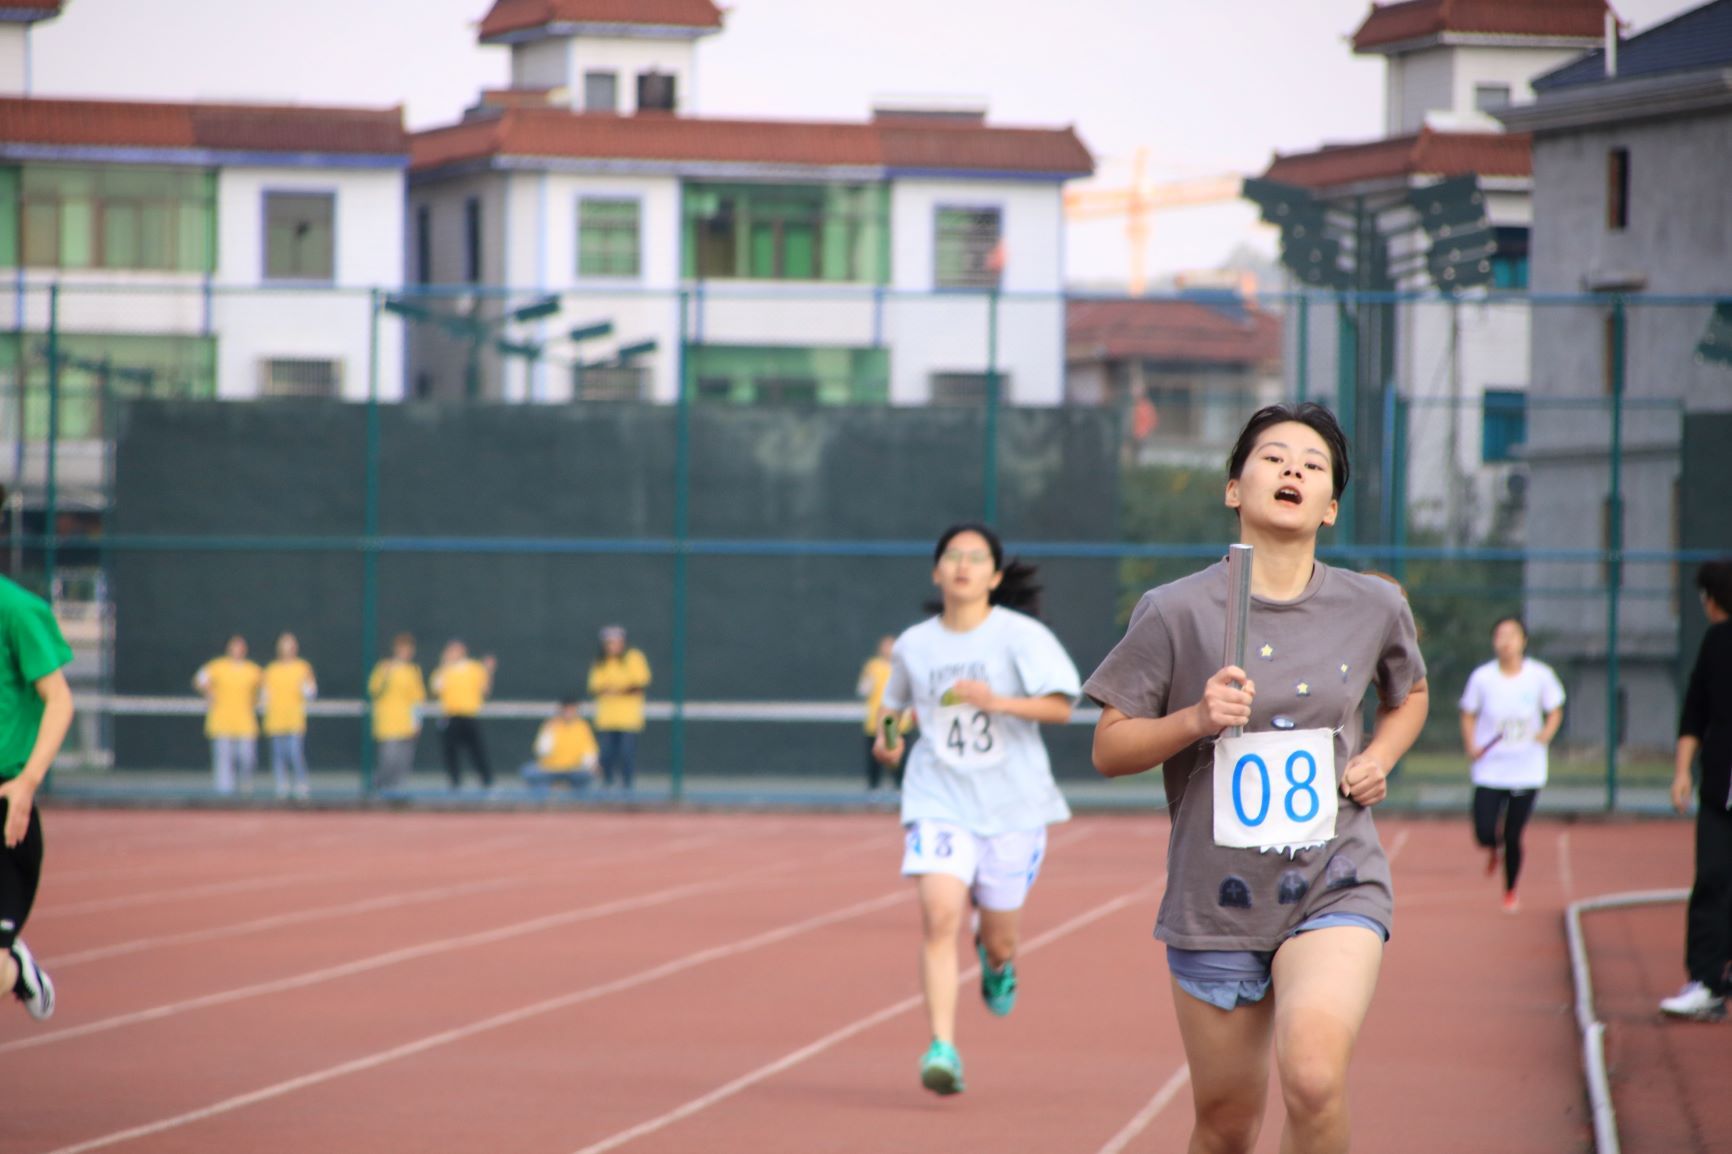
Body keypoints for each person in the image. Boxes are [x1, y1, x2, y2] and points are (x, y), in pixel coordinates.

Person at [1085, 402, 1429, 1154]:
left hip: (1336, 876)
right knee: (1228, 1124)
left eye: (1313, 465)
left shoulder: (1373, 604)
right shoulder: (1174, 611)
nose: (1293, 470)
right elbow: (1108, 749)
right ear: (1234, 487)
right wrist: (1195, 720)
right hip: (1217, 897)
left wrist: (1380, 758)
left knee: (1312, 1079)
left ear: (1330, 506)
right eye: (1273, 457)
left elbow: (1410, 695)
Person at [872, 523, 1081, 1096]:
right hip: (939, 798)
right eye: (952, 556)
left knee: (1000, 936)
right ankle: (942, 1047)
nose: (963, 565)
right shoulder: (916, 644)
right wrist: (889, 736)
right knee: (939, 917)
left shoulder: (1021, 636)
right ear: (937, 571)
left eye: (976, 557)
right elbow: (896, 709)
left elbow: (1062, 707)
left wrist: (997, 701)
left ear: (993, 574)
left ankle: (996, 965)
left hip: (1013, 805)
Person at [0, 572, 74, 1023]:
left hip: (6, 801)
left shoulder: (17, 610)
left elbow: (59, 700)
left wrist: (27, 781)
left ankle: (16, 968)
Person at [1660, 560, 1732, 1021]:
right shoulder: (1716, 644)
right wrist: (1683, 771)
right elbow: (1696, 713)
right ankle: (1706, 982)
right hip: (1721, 790)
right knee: (1711, 880)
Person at [1459, 616, 1565, 912]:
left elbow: (1555, 709)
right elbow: (1468, 712)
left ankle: (1510, 890)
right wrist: (1471, 744)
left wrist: (1546, 732)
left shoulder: (1540, 675)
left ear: (1523, 641)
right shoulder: (1482, 678)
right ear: (1494, 642)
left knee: (1514, 833)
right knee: (1483, 830)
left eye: (1512, 635)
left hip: (1526, 769)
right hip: (1491, 768)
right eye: (1500, 636)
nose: (1506, 642)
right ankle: (1493, 848)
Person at [194, 635, 262, 795]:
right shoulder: (217, 666)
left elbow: (264, 688)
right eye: (234, 647)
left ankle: (245, 787)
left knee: (247, 758)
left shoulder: (252, 670)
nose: (236, 650)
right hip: (221, 722)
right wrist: (209, 693)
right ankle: (224, 796)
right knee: (223, 762)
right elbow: (200, 679)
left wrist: (258, 699)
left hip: (245, 722)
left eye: (240, 647)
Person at [589, 625, 650, 792]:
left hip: (628, 718)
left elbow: (638, 685)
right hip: (607, 718)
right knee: (606, 754)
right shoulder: (601, 661)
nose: (612, 646)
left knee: (626, 753)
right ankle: (607, 784)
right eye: (608, 642)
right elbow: (596, 686)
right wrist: (619, 689)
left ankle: (627, 786)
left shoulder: (634, 657)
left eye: (615, 642)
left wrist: (615, 690)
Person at [261, 631, 318, 800]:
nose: (287, 649)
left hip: (294, 719)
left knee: (294, 753)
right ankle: (281, 786)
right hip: (275, 719)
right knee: (278, 755)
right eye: (284, 645)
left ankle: (301, 784)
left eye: (290, 645)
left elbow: (311, 691)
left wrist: (307, 689)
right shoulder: (271, 669)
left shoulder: (303, 667)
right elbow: (264, 694)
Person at [431, 640, 495, 790]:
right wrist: (444, 665)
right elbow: (436, 689)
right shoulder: (443, 670)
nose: (454, 653)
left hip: (469, 714)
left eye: (457, 650)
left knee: (477, 749)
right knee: (450, 751)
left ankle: (486, 780)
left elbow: (485, 689)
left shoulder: (474, 668)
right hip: (450, 715)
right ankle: (455, 781)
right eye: (451, 650)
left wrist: (489, 671)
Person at [369, 633, 426, 791]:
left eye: (408, 648)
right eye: (402, 648)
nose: (406, 652)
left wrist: (417, 722)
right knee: (388, 760)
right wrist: (386, 675)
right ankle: (377, 788)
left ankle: (397, 796)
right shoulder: (383, 667)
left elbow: (418, 700)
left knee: (403, 763)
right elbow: (374, 690)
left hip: (406, 724)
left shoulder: (413, 671)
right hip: (388, 724)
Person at [519, 698, 600, 796]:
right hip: (551, 769)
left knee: (586, 776)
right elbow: (542, 751)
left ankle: (571, 794)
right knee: (529, 772)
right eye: (566, 710)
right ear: (561, 710)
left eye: (572, 710)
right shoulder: (551, 725)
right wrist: (549, 732)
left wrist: (591, 765)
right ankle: (549, 795)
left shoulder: (582, 727)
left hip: (573, 770)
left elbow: (589, 751)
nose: (569, 713)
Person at [857, 634, 904, 792]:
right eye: (885, 646)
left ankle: (900, 792)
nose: (888, 649)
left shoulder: (902, 666)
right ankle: (872, 793)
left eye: (891, 646)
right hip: (875, 724)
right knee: (875, 761)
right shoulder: (873, 667)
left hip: (899, 726)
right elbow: (863, 689)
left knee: (898, 761)